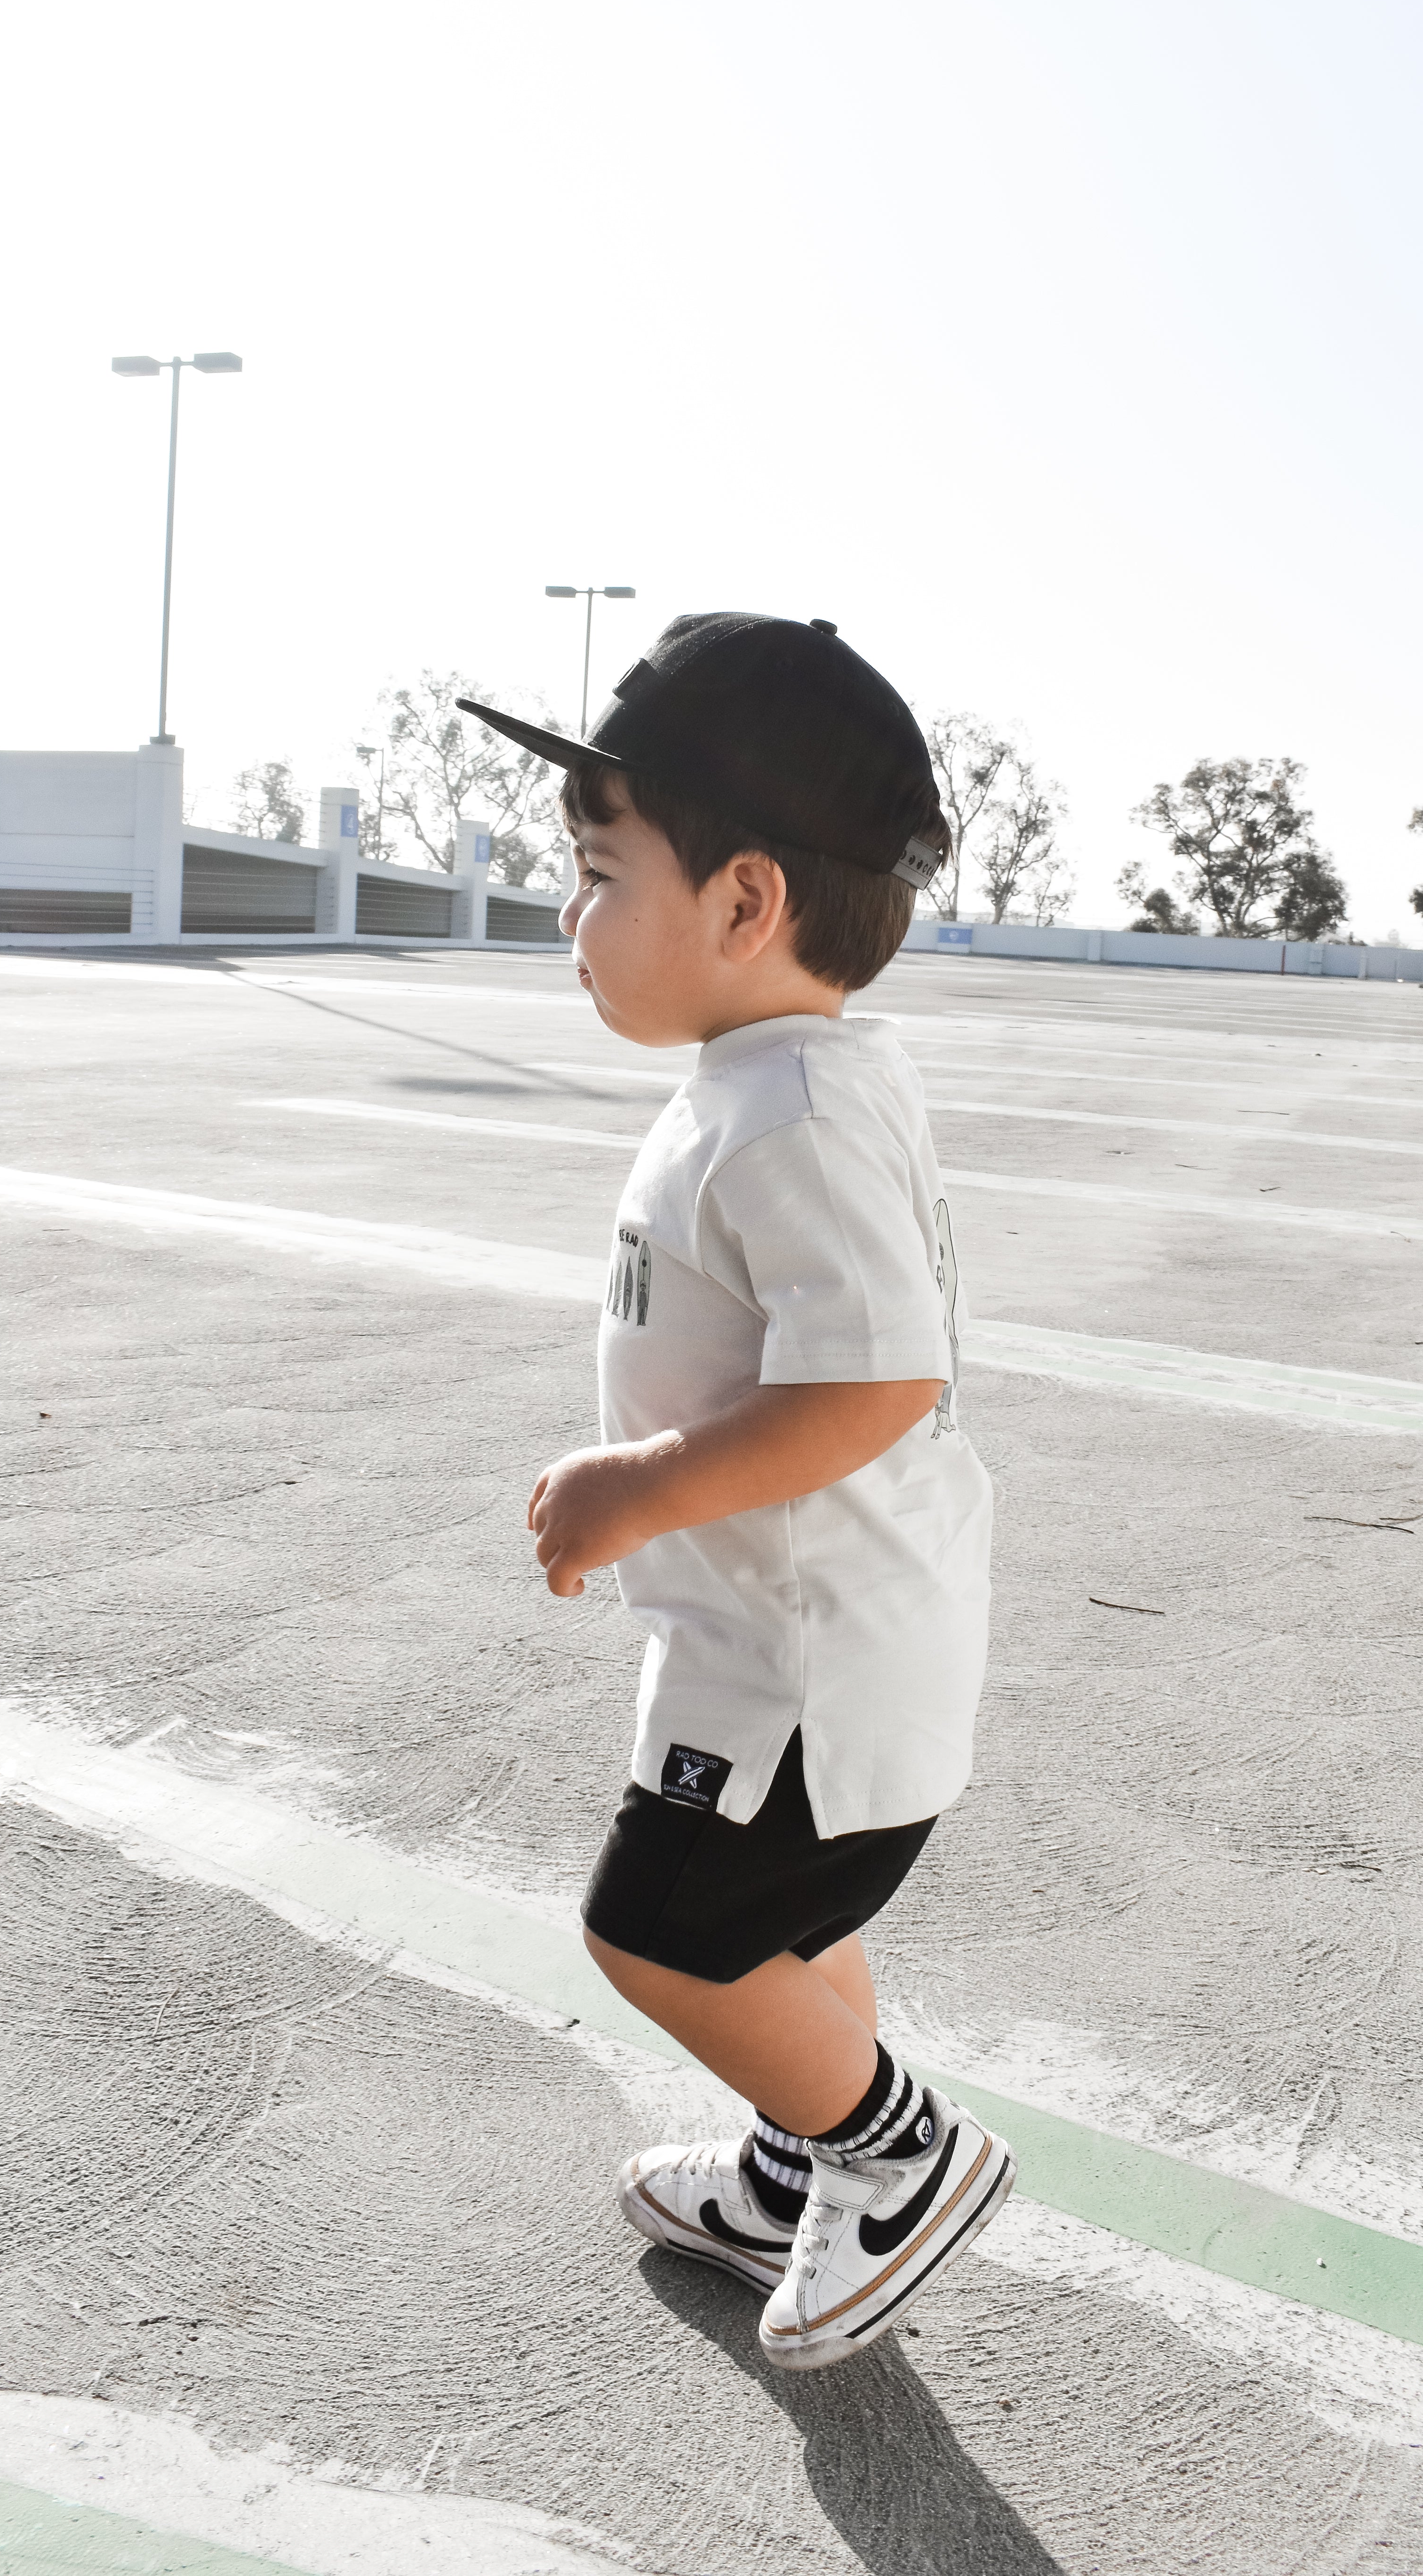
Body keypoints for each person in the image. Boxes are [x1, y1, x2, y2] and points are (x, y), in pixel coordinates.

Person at [456, 614, 1012, 2371]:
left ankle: (894, 2153)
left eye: (599, 874)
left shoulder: (794, 1118)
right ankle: (794, 2171)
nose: (570, 915)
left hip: (810, 1669)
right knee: (785, 1928)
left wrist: (639, 1484)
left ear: (747, 901)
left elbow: (874, 1381)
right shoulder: (780, 1079)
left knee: (661, 1934)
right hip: (781, 1644)